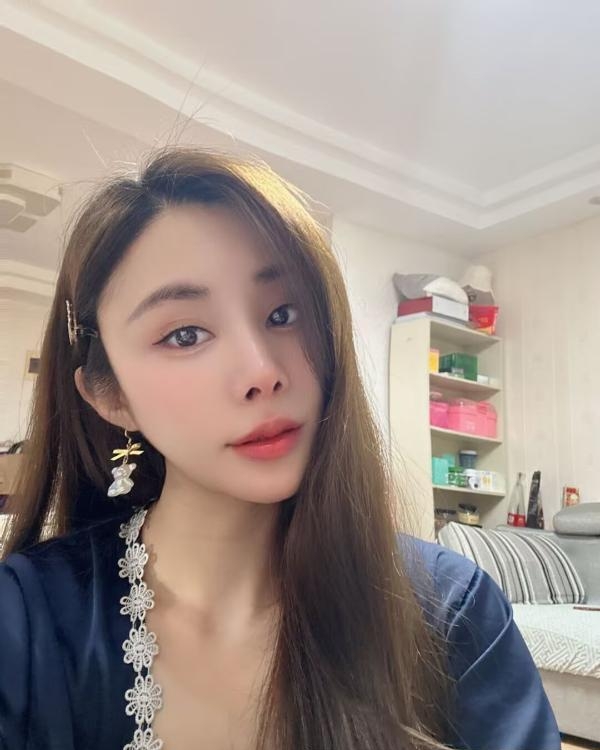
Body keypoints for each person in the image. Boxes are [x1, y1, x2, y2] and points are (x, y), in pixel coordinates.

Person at [0, 147, 560, 750]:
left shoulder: (451, 610)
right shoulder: (25, 621)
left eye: (283, 313)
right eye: (185, 333)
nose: (263, 371)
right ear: (110, 396)